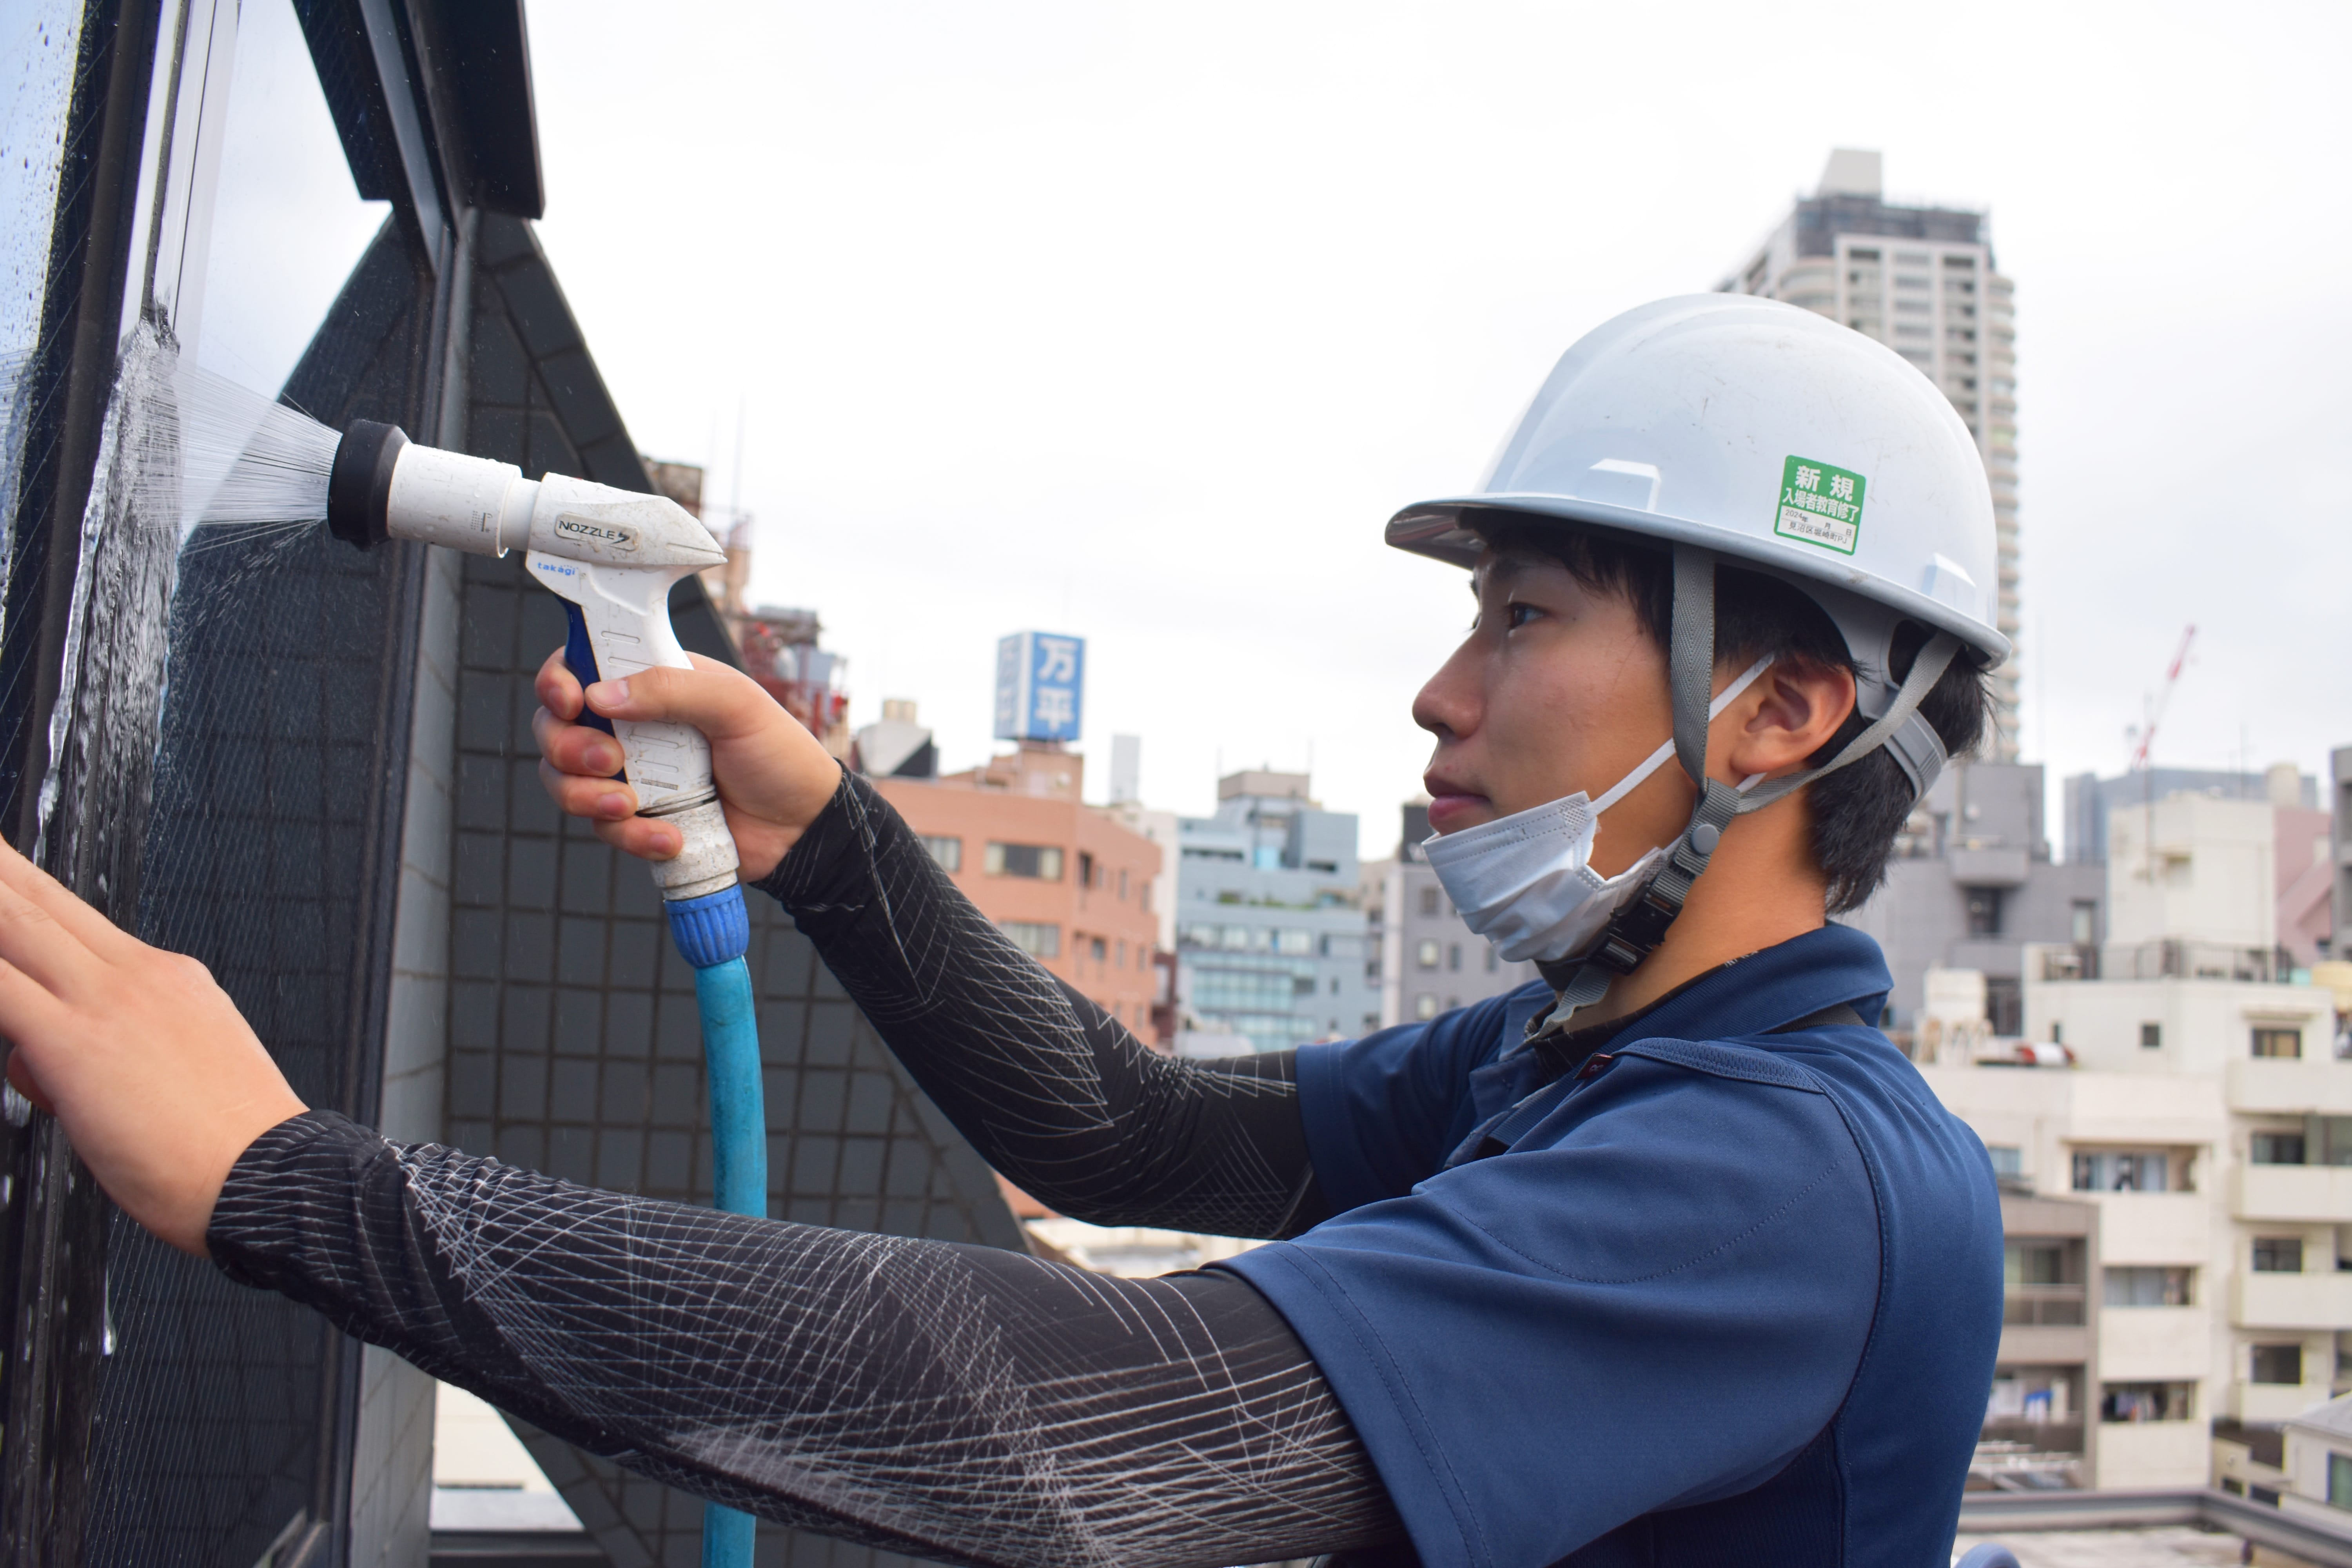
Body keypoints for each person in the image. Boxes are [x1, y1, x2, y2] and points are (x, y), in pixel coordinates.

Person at [0, 295, 2004, 1566]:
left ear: (1780, 711)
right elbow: (1131, 1136)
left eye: (1524, 614)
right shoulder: (1580, 1052)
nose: (1442, 692)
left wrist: (291, 1183)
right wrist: (825, 831)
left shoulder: (1789, 1178)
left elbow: (1091, 1427)